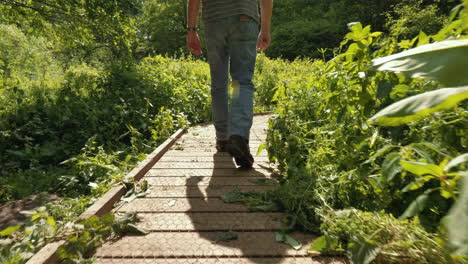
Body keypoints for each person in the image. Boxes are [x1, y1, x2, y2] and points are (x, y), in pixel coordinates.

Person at [186, 0, 273, 169]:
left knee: (219, 82)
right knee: (240, 82)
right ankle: (238, 134)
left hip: (214, 19)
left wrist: (191, 30)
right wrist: (265, 28)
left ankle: (223, 138)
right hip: (245, 18)